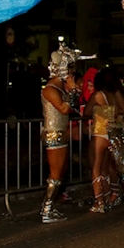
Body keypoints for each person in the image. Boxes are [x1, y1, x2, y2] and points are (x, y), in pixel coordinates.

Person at [39, 43, 80, 223]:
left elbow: (72, 109)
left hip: (60, 133)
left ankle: (50, 207)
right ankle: (46, 210)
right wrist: (73, 90)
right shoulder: (50, 89)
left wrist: (71, 91)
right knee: (55, 173)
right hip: (53, 134)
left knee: (60, 172)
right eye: (70, 70)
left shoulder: (60, 89)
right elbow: (64, 108)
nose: (72, 74)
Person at [83, 69, 124, 213]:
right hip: (111, 133)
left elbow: (87, 112)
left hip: (99, 133)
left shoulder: (97, 95)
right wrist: (110, 111)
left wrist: (100, 111)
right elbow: (123, 110)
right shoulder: (114, 94)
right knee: (107, 167)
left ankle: (99, 201)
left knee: (95, 167)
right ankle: (110, 195)